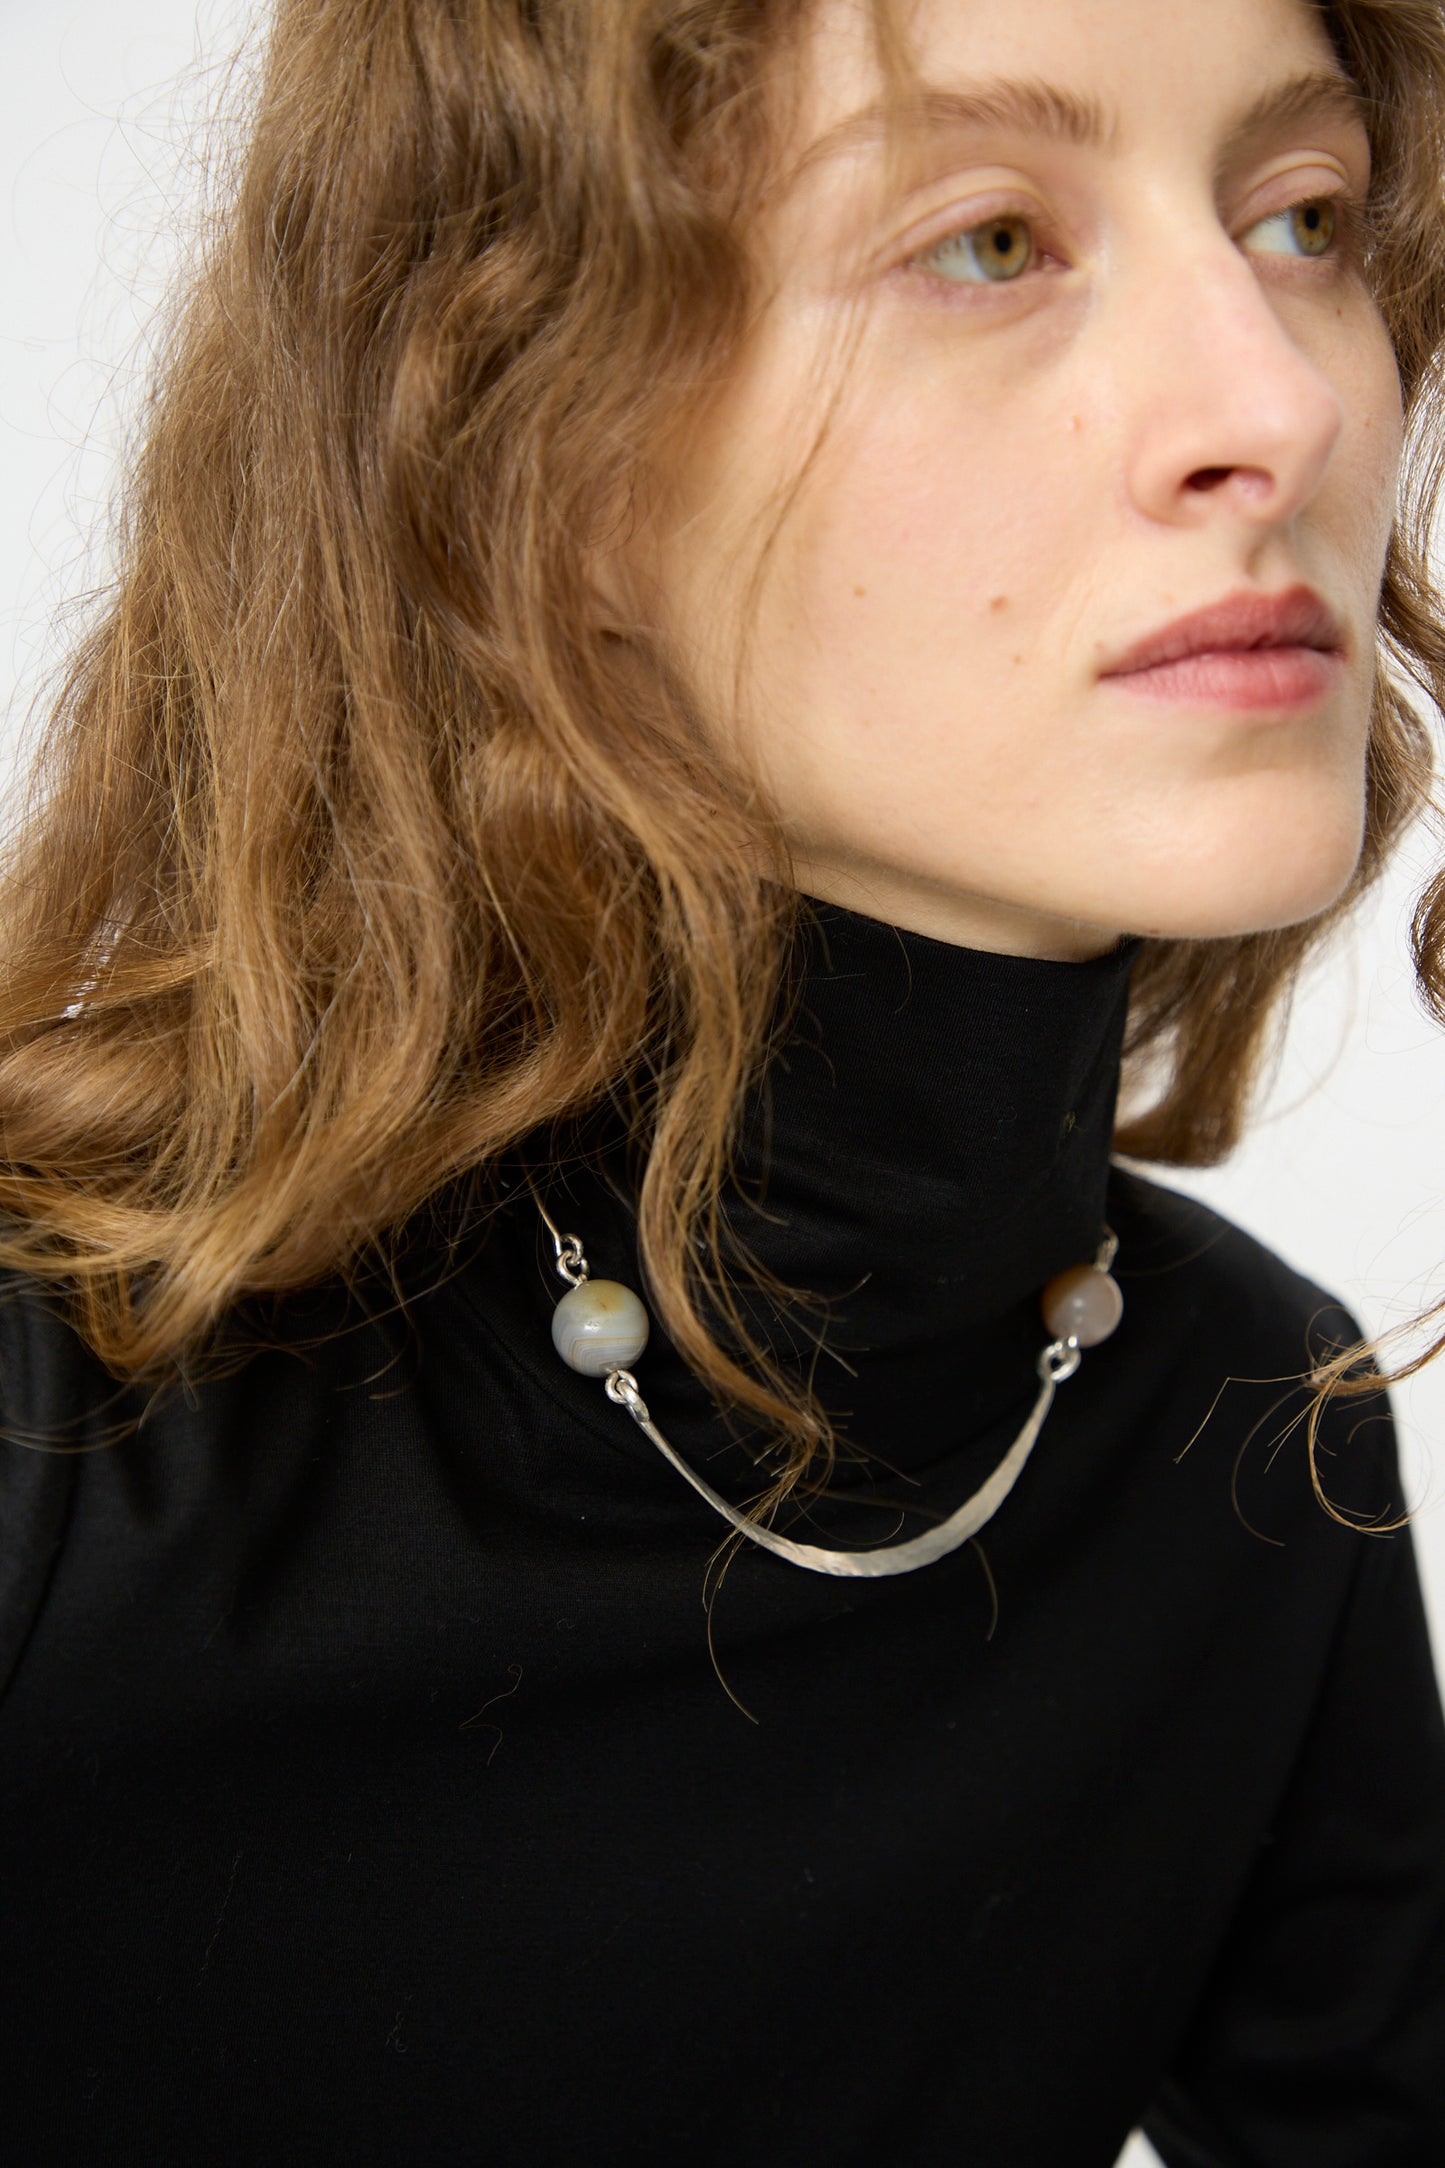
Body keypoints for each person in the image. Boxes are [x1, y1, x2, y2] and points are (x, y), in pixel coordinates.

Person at [1, 0, 1443, 2160]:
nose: (1277, 406)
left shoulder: (1245, 1445)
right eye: (989, 243)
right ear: (527, 452)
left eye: (1302, 215)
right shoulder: (62, 1439)